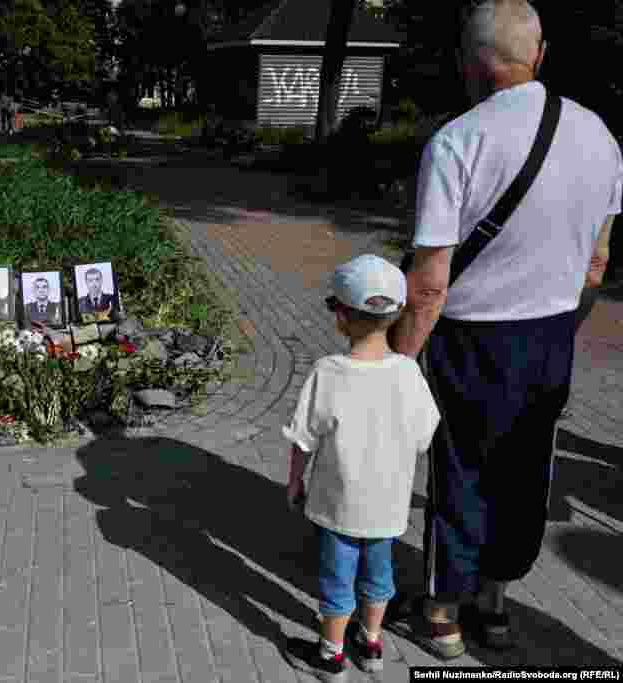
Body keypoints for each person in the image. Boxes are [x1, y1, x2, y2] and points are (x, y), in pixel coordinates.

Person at [385, 0, 621, 659]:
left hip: (471, 337)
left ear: (475, 64)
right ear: (537, 55)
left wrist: (399, 359)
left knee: (461, 472)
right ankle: (493, 606)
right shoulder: (600, 137)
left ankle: (440, 614)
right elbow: (598, 260)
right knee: (524, 473)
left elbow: (430, 280)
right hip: (550, 334)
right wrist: (562, 323)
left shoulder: (459, 142)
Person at [283, 255, 440, 681]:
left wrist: (295, 482)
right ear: (396, 314)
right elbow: (425, 436)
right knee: (379, 574)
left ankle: (331, 656)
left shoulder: (327, 372)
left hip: (338, 505)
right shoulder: (409, 373)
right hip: (387, 507)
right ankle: (371, 643)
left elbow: (303, 440)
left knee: (337, 579)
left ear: (341, 316)